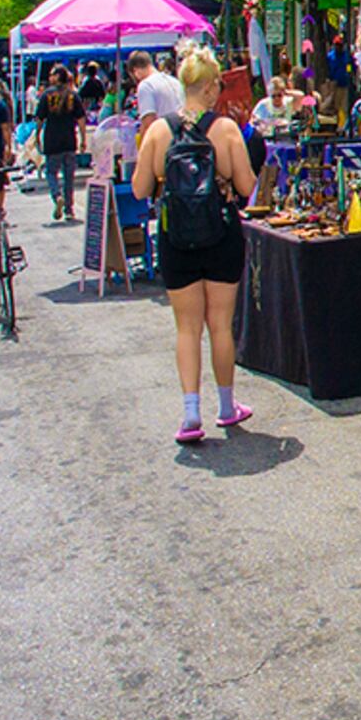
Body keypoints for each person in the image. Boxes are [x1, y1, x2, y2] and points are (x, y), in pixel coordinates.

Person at [137, 50, 258, 444]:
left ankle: (191, 411)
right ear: (208, 87)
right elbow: (246, 187)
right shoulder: (224, 130)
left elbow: (140, 189)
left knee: (186, 328)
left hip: (176, 237)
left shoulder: (158, 131)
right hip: (221, 234)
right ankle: (226, 405)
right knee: (220, 325)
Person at [38, 65, 84, 221]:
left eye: (52, 74)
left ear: (57, 77)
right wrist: (83, 138)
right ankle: (69, 209)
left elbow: (39, 118)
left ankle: (57, 196)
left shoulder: (46, 96)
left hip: (52, 140)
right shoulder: (73, 95)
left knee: (51, 172)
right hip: (69, 139)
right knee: (69, 176)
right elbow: (81, 119)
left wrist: (37, 135)